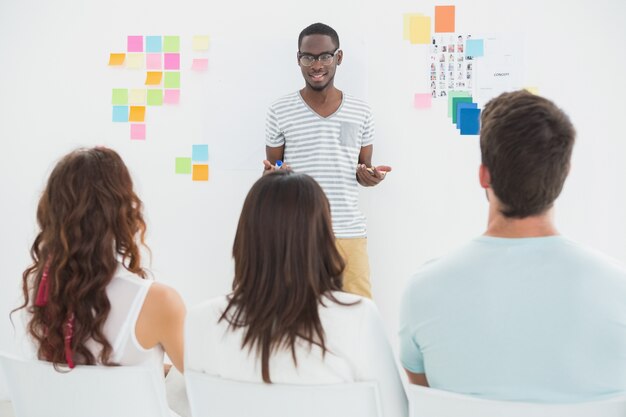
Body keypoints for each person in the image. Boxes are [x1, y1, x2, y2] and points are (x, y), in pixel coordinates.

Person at [399, 90, 626, 402]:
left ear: (483, 176)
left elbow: (424, 398)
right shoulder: (619, 289)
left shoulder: (422, 291)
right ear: (564, 174)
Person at [186, 171, 407, 417]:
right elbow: (396, 412)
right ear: (323, 238)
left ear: (246, 237)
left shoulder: (200, 321)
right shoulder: (358, 316)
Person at [13, 147, 188, 414]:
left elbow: (85, 378)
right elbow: (204, 382)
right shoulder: (159, 302)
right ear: (122, 212)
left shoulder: (41, 291)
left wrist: (150, 369)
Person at [263, 22, 391, 299]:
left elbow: (362, 168)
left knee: (359, 312)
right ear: (298, 59)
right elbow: (275, 170)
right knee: (295, 316)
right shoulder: (279, 110)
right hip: (298, 232)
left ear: (338, 58)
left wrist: (370, 176)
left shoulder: (361, 111)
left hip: (349, 232)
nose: (316, 64)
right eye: (307, 57)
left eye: (324, 56)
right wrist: (271, 176)